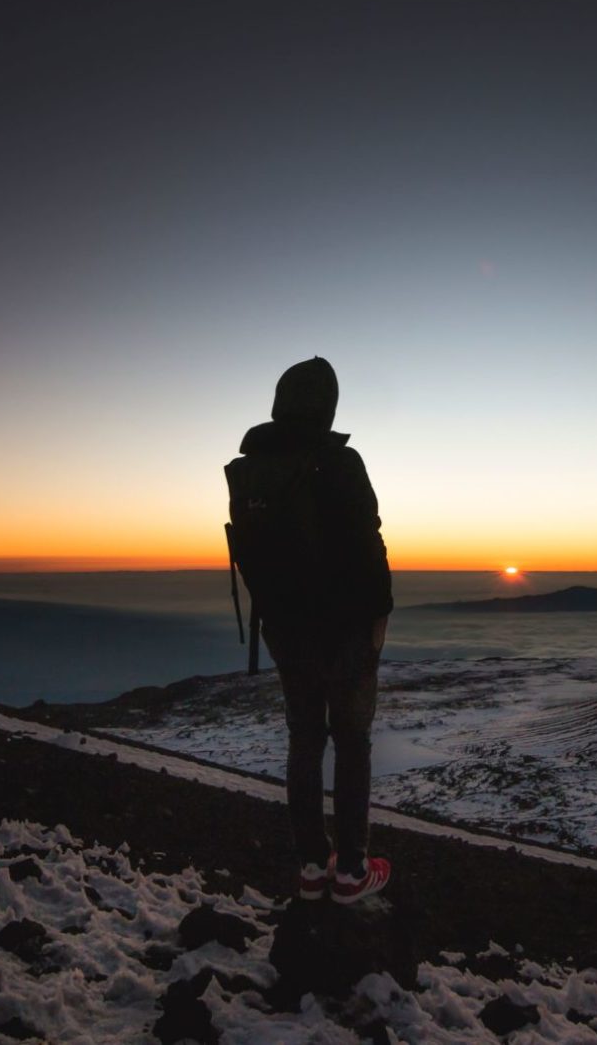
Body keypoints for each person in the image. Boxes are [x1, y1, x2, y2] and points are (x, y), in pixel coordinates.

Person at [225, 357, 393, 904]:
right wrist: (378, 617)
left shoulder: (252, 470)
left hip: (284, 629)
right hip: (344, 630)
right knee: (352, 743)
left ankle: (311, 864)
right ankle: (350, 871)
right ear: (328, 405)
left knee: (303, 739)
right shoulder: (339, 462)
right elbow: (369, 546)